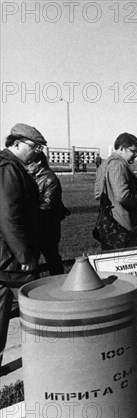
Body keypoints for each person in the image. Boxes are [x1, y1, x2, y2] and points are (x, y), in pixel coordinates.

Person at [0, 123, 44, 372]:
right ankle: (43, 362)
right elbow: (8, 216)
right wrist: (24, 255)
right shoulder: (9, 169)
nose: (37, 152)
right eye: (33, 146)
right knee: (34, 309)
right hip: (12, 259)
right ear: (16, 143)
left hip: (5, 257)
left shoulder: (13, 168)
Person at [94, 132, 137, 250]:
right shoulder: (118, 165)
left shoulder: (104, 164)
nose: (136, 154)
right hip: (123, 225)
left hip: (107, 223)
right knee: (126, 261)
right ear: (122, 148)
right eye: (134, 151)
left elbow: (97, 194)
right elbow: (122, 196)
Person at [27, 151, 67, 275]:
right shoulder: (32, 176)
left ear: (38, 162)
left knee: (52, 258)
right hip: (36, 226)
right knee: (33, 259)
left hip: (48, 227)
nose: (26, 166)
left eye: (29, 163)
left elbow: (47, 205)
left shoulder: (50, 179)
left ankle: (60, 283)